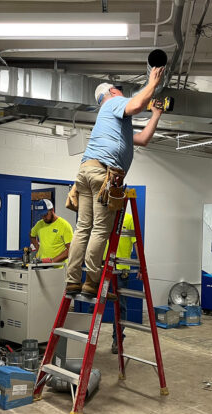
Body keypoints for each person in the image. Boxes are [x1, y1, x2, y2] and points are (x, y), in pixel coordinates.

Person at [65, 66, 165, 296]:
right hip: (103, 173)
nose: (123, 94)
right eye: (119, 91)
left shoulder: (113, 120)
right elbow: (137, 104)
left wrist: (156, 115)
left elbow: (143, 139)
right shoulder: (112, 104)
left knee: (83, 228)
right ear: (111, 92)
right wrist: (152, 83)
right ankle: (91, 282)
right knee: (100, 229)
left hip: (86, 171)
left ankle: (73, 281)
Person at [107, 212, 136, 354]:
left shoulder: (129, 218)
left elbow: (136, 242)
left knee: (121, 306)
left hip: (122, 269)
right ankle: (87, 337)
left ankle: (117, 340)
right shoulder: (106, 215)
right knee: (94, 305)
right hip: (104, 267)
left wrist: (141, 266)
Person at [30, 199, 73, 264]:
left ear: (52, 210)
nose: (44, 217)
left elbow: (70, 249)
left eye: (45, 214)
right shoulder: (39, 224)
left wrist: (52, 261)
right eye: (42, 215)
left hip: (58, 268)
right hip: (42, 264)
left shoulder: (64, 226)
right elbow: (31, 235)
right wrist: (38, 247)